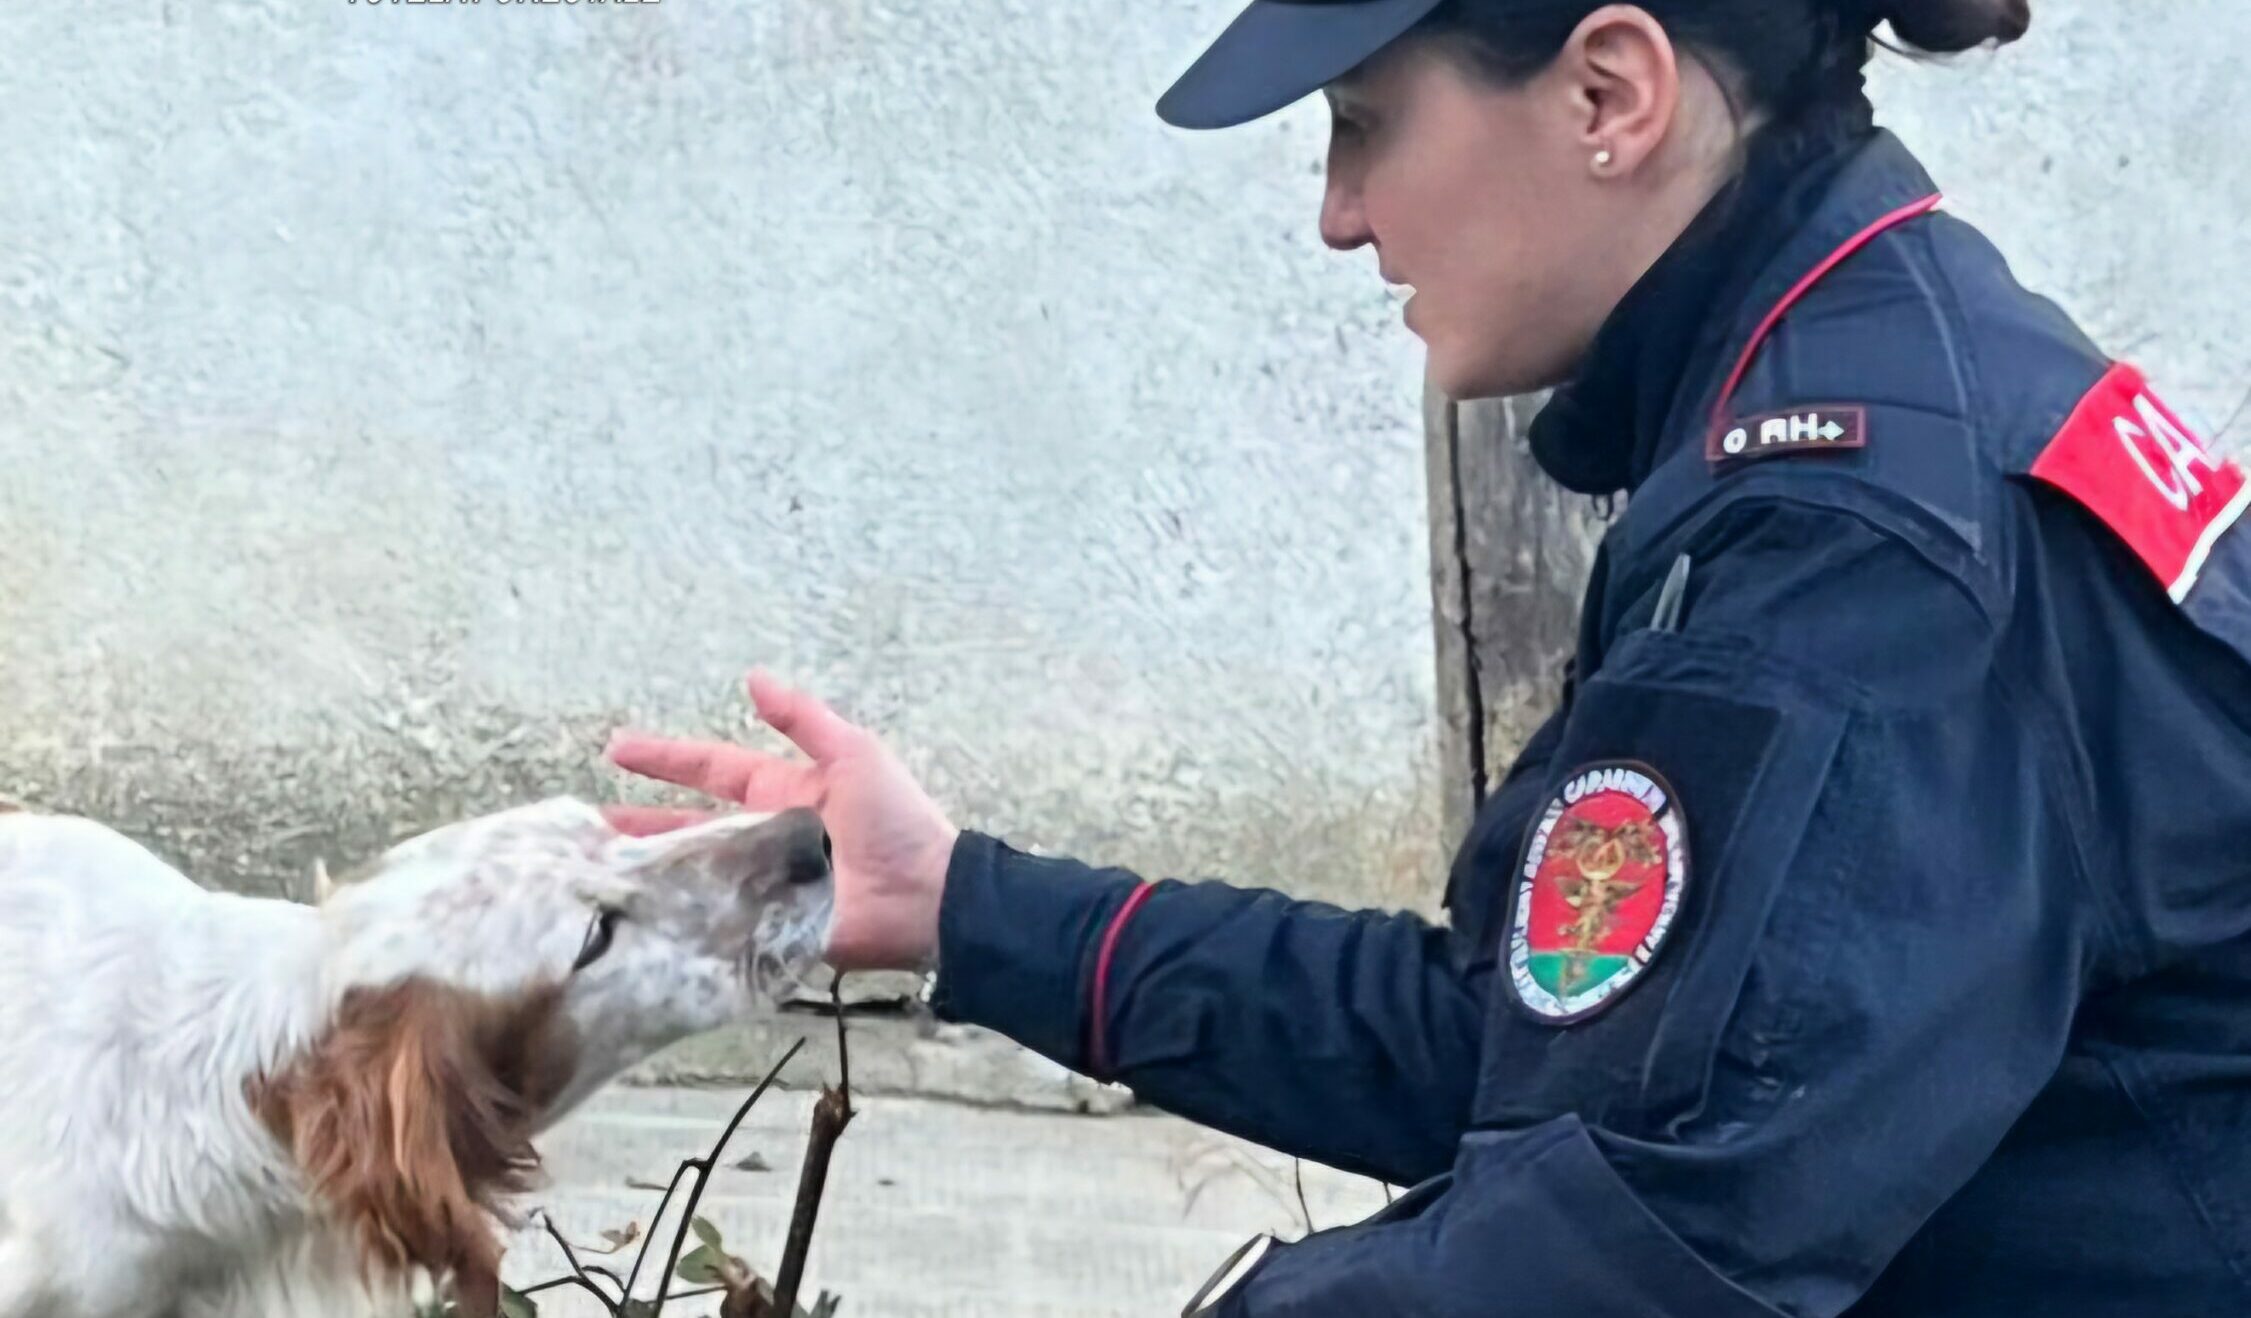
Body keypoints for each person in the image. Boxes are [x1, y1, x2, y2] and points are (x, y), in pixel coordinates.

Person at [600, 1, 2251, 1313]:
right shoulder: (1845, 395)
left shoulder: (1849, 536)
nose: (1336, 215)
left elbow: (1640, 1239)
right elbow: (1523, 1041)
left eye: (1362, 123)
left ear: (1612, 94)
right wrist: (967, 906)